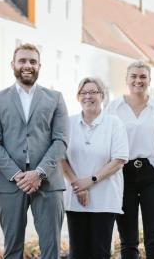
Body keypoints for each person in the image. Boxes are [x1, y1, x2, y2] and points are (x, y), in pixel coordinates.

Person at [0, 43, 69, 259]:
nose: (27, 65)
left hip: (48, 183)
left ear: (40, 65)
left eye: (32, 61)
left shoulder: (55, 98)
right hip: (11, 183)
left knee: (51, 250)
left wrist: (38, 173)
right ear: (13, 64)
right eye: (22, 61)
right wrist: (17, 175)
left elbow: (61, 141)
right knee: (12, 249)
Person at [106, 61, 154, 259]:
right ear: (126, 79)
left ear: (149, 80)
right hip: (123, 175)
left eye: (142, 77)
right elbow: (105, 143)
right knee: (128, 240)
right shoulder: (113, 108)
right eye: (133, 76)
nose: (138, 80)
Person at [60, 77, 129, 259]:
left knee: (100, 253)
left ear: (102, 96)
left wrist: (89, 182)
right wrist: (77, 184)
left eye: (93, 92)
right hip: (75, 199)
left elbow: (119, 160)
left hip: (105, 199)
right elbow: (59, 157)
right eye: (84, 92)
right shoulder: (68, 123)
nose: (88, 96)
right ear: (77, 97)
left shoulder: (115, 124)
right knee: (78, 253)